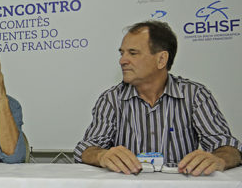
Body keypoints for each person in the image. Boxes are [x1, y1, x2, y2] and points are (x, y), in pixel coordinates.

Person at [75, 20, 242, 175]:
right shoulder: (111, 99)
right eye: (122, 53)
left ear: (161, 59)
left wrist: (218, 160)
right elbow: (87, 148)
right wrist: (102, 156)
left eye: (133, 53)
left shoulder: (194, 95)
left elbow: (228, 147)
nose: (122, 60)